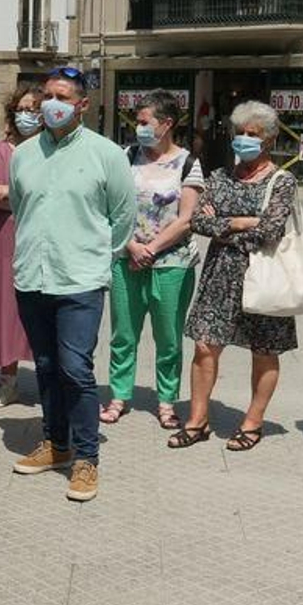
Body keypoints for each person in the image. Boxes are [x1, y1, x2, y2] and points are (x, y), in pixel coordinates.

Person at [9, 68, 136, 502]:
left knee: (75, 368)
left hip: (80, 279)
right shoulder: (23, 154)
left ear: (83, 104)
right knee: (45, 365)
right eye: (46, 95)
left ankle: (86, 459)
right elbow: (20, 206)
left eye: (61, 96)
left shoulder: (107, 154)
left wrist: (100, 258)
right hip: (31, 276)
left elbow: (123, 217)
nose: (50, 103)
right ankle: (56, 444)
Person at [170, 101, 298, 453]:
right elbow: (198, 220)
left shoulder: (281, 181)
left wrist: (225, 223)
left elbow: (271, 231)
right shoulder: (220, 177)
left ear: (269, 140)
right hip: (220, 273)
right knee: (204, 346)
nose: (243, 140)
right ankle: (197, 421)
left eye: (252, 134)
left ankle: (253, 422)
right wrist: (244, 221)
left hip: (265, 275)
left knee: (264, 350)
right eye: (239, 133)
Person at [102, 92, 205, 430]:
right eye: (138, 121)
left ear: (167, 124)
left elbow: (187, 218)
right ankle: (118, 396)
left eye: (145, 122)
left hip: (172, 262)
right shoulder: (124, 156)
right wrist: (132, 246)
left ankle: (166, 400)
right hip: (126, 258)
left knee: (169, 337)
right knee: (123, 334)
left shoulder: (189, 163)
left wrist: (152, 248)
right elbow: (111, 208)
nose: (139, 127)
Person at [0, 83, 41, 409]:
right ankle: (9, 381)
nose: (28, 115)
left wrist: (14, 191)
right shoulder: (4, 150)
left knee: (44, 313)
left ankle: (49, 379)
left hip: (45, 241)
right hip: (7, 239)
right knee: (7, 310)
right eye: (23, 109)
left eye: (34, 109)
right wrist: (38, 194)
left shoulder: (52, 149)